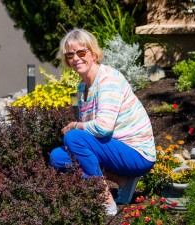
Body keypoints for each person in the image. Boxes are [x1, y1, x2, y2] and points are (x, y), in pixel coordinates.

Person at [50, 28, 156, 216]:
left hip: (136, 153)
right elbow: (88, 131)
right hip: (114, 151)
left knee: (74, 137)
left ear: (93, 53)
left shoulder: (108, 80)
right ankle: (123, 180)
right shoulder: (81, 87)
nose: (76, 58)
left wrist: (75, 127)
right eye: (69, 55)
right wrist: (77, 127)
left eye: (81, 52)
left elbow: (103, 128)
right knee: (58, 157)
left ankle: (104, 198)